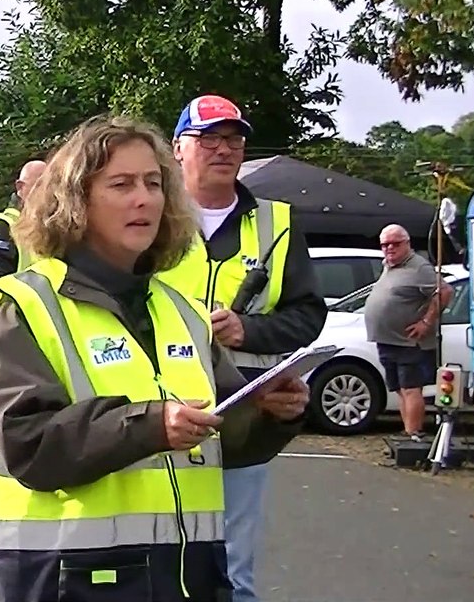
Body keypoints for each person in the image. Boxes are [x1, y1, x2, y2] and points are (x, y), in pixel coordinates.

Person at [0, 116, 309, 602]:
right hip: (80, 579)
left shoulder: (183, 313)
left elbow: (229, 439)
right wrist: (150, 426)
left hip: (190, 577)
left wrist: (270, 413)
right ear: (76, 200)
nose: (144, 199)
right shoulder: (27, 308)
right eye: (121, 184)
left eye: (153, 183)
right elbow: (28, 444)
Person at [156, 95, 327, 602]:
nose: (223, 149)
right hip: (163, 409)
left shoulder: (278, 223)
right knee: (158, 559)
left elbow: (308, 314)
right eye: (208, 138)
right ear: (178, 149)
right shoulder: (152, 218)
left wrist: (247, 332)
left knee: (233, 572)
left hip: (245, 419)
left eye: (233, 139)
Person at [363, 223, 452, 439]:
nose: (390, 248)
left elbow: (445, 291)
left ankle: (414, 435)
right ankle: (407, 432)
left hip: (410, 342)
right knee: (399, 389)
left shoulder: (418, 267)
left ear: (407, 244)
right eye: (385, 244)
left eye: (395, 244)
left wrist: (426, 322)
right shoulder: (389, 266)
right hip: (388, 340)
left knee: (411, 388)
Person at [0, 160, 47, 327]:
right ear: (20, 188)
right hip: (7, 322)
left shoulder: (48, 227)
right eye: (39, 184)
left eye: (51, 184)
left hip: (37, 320)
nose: (46, 192)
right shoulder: (6, 225)